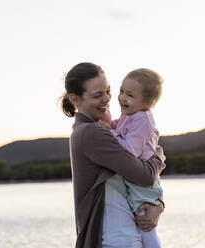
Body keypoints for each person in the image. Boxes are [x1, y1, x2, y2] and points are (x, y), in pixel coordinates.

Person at [59, 62, 166, 248]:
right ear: (75, 100)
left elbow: (139, 171)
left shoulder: (102, 128)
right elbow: (146, 175)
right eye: (98, 95)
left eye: (108, 91)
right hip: (115, 238)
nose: (107, 99)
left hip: (125, 235)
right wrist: (158, 151)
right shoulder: (92, 133)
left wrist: (158, 206)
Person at [99, 68, 164, 248]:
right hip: (137, 181)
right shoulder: (130, 115)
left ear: (148, 102)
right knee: (141, 221)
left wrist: (109, 133)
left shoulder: (142, 120)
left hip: (142, 186)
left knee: (145, 223)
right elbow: (116, 128)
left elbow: (130, 150)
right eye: (121, 91)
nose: (122, 98)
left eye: (130, 95)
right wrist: (106, 119)